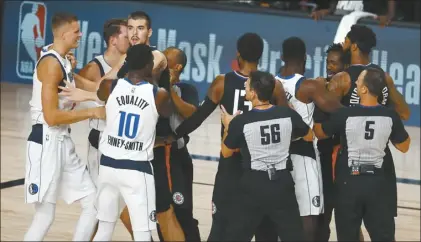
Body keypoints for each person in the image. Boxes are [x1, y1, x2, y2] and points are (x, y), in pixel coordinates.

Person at [174, 33, 288, 241]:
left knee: (220, 228)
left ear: (238, 54)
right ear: (262, 55)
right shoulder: (272, 85)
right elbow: (287, 121)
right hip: (261, 167)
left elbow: (197, 119)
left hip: (230, 166)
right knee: (264, 231)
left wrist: (174, 136)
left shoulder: (222, 82)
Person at [24, 12, 104, 241]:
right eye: (77, 31)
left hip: (62, 140)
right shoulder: (51, 65)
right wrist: (92, 111)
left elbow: (84, 89)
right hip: (46, 140)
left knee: (93, 202)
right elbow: (51, 117)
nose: (80, 34)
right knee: (45, 216)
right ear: (64, 34)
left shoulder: (61, 60)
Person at [325, 24, 410, 223]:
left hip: (349, 159)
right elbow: (404, 113)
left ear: (353, 46)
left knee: (350, 224)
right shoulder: (383, 77)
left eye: (346, 39)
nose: (343, 43)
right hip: (380, 158)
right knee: (383, 228)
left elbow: (327, 121)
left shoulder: (343, 79)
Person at [314, 67, 411, 241]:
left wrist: (319, 100)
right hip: (379, 184)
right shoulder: (390, 116)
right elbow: (404, 146)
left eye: (358, 80)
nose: (356, 82)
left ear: (364, 89)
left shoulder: (344, 114)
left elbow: (319, 132)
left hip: (349, 184)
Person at [92, 44, 171, 242]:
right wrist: (153, 76)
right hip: (136, 169)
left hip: (108, 166)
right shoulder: (158, 94)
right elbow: (168, 113)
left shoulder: (109, 86)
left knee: (104, 229)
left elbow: (100, 96)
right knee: (142, 232)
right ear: (147, 65)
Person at [220, 71, 312, 241]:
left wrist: (228, 125)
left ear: (254, 93)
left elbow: (226, 153)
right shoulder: (287, 114)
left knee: (236, 235)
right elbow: (309, 136)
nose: (245, 87)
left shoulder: (241, 121)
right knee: (293, 236)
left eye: (247, 85)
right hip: (282, 183)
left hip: (254, 184)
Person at [275, 37, 344, 241]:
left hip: (278, 157)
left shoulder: (270, 83)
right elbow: (339, 111)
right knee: (309, 219)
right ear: (305, 58)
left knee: (280, 216)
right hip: (303, 157)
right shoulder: (309, 86)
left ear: (281, 57)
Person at [77, 18, 133, 239]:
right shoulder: (94, 67)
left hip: (120, 142)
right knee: (101, 206)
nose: (131, 38)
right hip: (100, 142)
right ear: (113, 40)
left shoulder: (129, 65)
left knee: (119, 203)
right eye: (126, 35)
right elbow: (75, 85)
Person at [160, 46, 201, 241]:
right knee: (162, 212)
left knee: (183, 211)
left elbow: (192, 114)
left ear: (177, 67)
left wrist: (170, 90)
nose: (160, 63)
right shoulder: (152, 86)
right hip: (157, 157)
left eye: (165, 61)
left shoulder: (187, 89)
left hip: (178, 158)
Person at [314, 43, 350, 241]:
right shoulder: (319, 86)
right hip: (322, 158)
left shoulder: (346, 92)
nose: (330, 67)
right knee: (322, 216)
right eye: (328, 62)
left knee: (345, 220)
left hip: (340, 161)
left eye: (334, 63)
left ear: (345, 67)